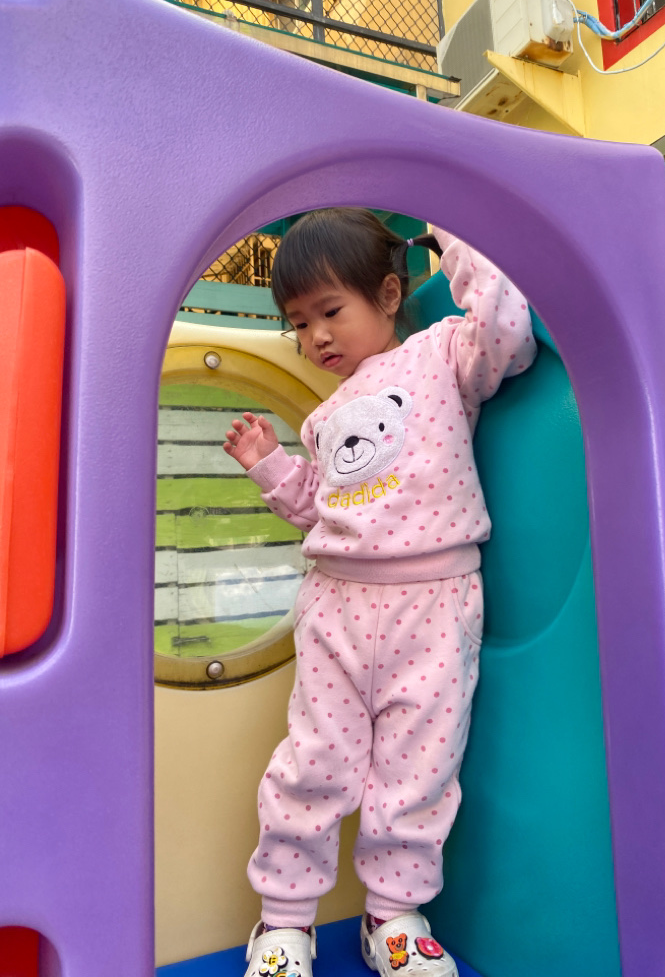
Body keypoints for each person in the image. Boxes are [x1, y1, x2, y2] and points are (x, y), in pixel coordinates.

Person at [223, 207, 536, 977]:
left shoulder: (441, 353)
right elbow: (320, 508)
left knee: (418, 770)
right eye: (300, 324)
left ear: (390, 295)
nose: (316, 337)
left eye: (330, 311)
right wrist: (270, 465)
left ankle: (393, 916)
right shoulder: (324, 419)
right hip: (336, 606)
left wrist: (453, 230)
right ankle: (284, 924)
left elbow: (509, 332)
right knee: (314, 762)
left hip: (433, 603)